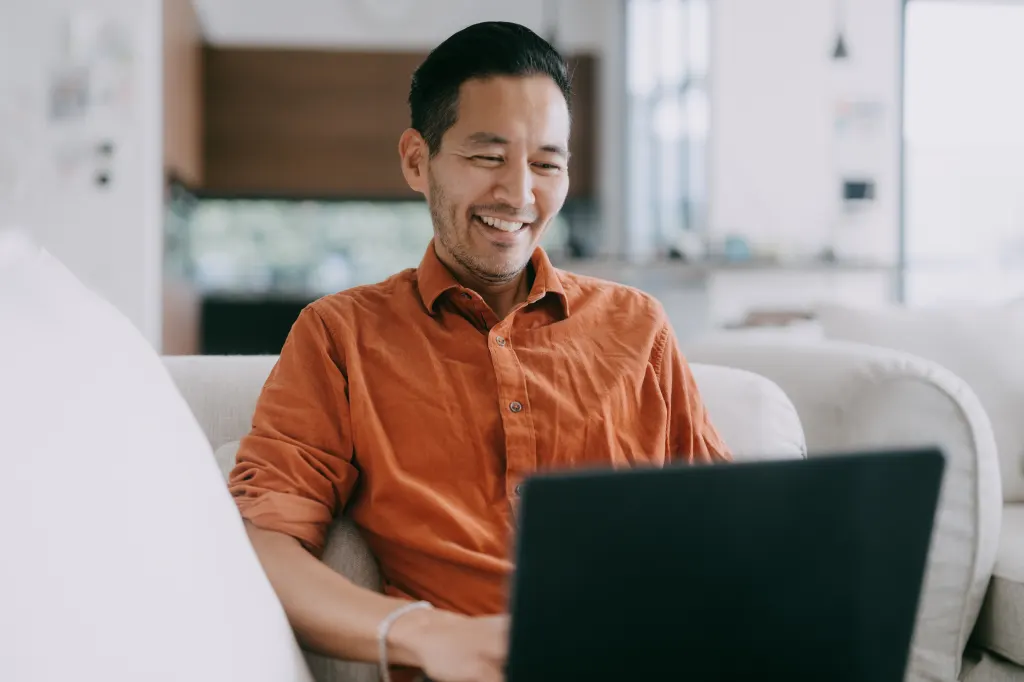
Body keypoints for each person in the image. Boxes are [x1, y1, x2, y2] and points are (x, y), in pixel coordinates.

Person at [229, 21, 730, 682]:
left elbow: (727, 529)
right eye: (488, 156)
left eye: (546, 162)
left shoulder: (638, 327)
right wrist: (423, 635)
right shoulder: (340, 336)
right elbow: (262, 541)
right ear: (417, 160)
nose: (519, 193)